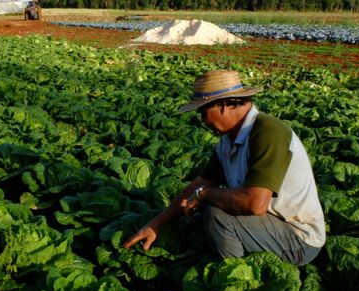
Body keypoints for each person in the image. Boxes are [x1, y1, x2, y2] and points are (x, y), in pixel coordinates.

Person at [122, 70, 325, 266]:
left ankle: (238, 284)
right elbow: (198, 185)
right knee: (195, 220)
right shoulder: (228, 140)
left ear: (222, 105)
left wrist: (205, 195)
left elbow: (255, 204)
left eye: (203, 111)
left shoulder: (268, 132)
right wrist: (156, 224)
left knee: (216, 217)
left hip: (298, 239)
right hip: (265, 227)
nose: (202, 120)